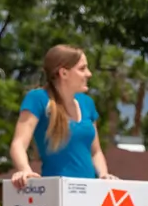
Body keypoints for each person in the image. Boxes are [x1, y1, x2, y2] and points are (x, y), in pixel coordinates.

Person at [10, 44, 119, 189]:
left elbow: (96, 152)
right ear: (64, 73)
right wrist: (25, 170)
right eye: (82, 69)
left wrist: (104, 176)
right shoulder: (38, 99)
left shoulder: (87, 103)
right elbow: (18, 144)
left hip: (91, 192)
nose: (89, 74)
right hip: (57, 191)